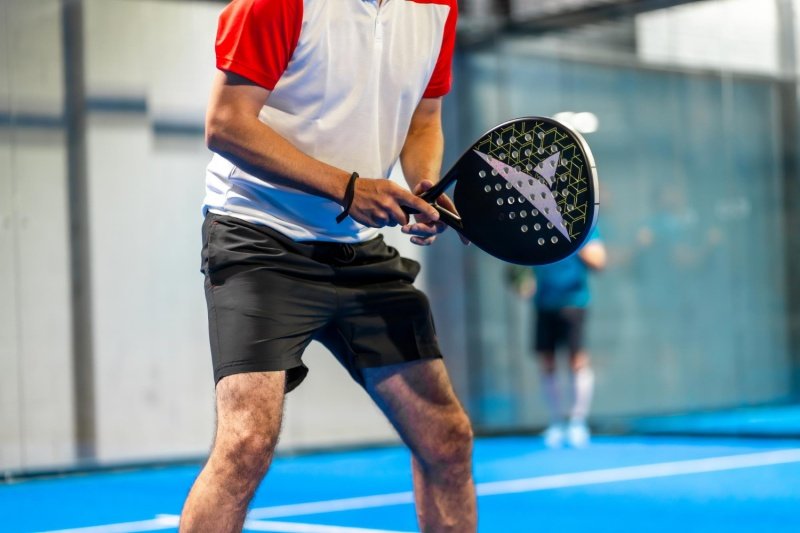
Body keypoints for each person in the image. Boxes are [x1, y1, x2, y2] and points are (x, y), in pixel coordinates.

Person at [179, 0, 476, 532]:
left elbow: (424, 120)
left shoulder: (439, 7)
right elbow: (226, 124)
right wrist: (347, 187)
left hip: (357, 248)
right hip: (259, 239)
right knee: (245, 444)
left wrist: (424, 186)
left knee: (446, 440)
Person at [513, 226, 606, 449]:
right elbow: (520, 269)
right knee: (547, 362)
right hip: (543, 304)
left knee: (577, 360)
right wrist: (523, 282)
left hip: (573, 302)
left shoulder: (584, 226)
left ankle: (577, 422)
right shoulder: (535, 226)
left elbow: (599, 260)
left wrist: (573, 240)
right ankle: (556, 422)